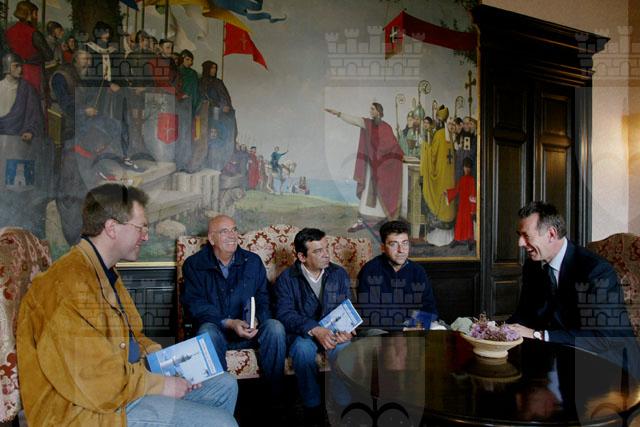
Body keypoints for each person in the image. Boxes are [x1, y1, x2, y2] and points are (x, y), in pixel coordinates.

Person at [17, 183, 238, 426]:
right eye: (140, 227)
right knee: (223, 423)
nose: (146, 236)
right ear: (112, 228)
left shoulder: (106, 271)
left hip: (121, 385)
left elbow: (133, 336)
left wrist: (161, 359)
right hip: (85, 410)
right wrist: (161, 384)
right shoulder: (65, 285)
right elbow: (97, 381)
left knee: (225, 385)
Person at [507, 201, 640, 378]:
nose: (520, 243)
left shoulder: (595, 270)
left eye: (526, 235)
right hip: (563, 357)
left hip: (612, 366)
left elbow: (602, 338)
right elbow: (524, 314)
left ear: (551, 234)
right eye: (519, 235)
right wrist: (498, 331)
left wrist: (538, 335)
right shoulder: (533, 266)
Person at [181, 215, 286, 405]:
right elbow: (195, 305)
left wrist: (257, 320)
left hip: (250, 331)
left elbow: (264, 298)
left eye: (234, 230)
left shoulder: (252, 261)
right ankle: (219, 401)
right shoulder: (194, 265)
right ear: (211, 239)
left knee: (275, 327)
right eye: (224, 231)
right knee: (206, 331)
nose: (232, 235)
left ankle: (274, 399)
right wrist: (229, 322)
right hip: (218, 331)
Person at [275, 228, 354, 424]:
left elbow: (346, 308)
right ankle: (313, 408)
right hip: (303, 334)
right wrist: (316, 329)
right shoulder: (287, 278)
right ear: (302, 257)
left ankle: (343, 405)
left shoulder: (338, 273)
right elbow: (284, 314)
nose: (326, 254)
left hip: (334, 333)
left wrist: (347, 330)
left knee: (344, 349)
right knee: (302, 351)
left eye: (326, 248)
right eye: (318, 251)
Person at [325, 103, 403, 232]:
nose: (370, 111)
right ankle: (361, 222)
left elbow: (393, 145)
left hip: (383, 168)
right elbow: (354, 120)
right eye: (370, 109)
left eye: (373, 109)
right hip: (371, 167)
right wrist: (338, 114)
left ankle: (380, 222)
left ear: (379, 111)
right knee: (367, 192)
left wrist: (395, 156)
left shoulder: (386, 127)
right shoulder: (368, 123)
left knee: (381, 196)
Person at [356, 220, 438, 331]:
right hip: (381, 331)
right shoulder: (370, 271)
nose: (401, 250)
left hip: (415, 326)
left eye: (405, 243)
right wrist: (403, 329)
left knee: (443, 329)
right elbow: (369, 315)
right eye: (393, 244)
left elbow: (430, 308)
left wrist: (416, 326)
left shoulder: (418, 271)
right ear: (383, 247)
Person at [420, 105, 456, 244]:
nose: (436, 121)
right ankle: (448, 236)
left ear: (440, 120)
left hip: (441, 177)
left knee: (438, 198)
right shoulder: (449, 136)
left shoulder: (439, 135)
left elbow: (432, 155)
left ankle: (438, 237)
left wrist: (425, 146)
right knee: (448, 202)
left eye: (437, 119)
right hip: (450, 177)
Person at [5, 1, 53, 95]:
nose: (36, 17)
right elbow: (49, 56)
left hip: (15, 73)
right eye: (35, 14)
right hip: (33, 73)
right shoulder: (34, 33)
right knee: (34, 99)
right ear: (28, 14)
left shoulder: (9, 31)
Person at [0, 53, 43, 141]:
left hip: (19, 140)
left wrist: (30, 131)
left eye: (21, 66)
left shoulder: (27, 89)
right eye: (16, 66)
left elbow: (35, 116)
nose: (20, 69)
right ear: (7, 67)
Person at [445, 157, 476, 250]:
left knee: (469, 224)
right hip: (462, 205)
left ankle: (470, 241)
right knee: (459, 222)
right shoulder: (461, 179)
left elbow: (473, 194)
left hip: (469, 205)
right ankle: (457, 239)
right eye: (465, 167)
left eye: (468, 167)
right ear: (463, 168)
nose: (467, 169)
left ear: (470, 169)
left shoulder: (472, 180)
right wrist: (447, 193)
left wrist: (473, 209)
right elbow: (456, 190)